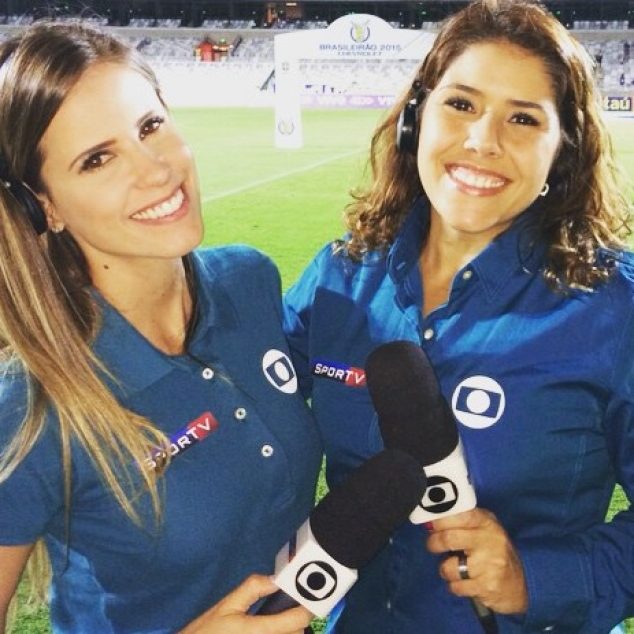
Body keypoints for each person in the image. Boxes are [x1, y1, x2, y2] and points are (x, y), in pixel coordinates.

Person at [283, 0, 634, 632]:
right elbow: (245, 425)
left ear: (563, 149)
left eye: (523, 118)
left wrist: (537, 577)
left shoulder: (614, 307)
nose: (482, 141)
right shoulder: (339, 277)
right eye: (461, 104)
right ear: (416, 118)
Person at [0, 22, 322, 634]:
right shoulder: (31, 406)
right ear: (46, 207)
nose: (156, 171)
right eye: (97, 160)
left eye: (150, 127)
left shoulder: (249, 281)